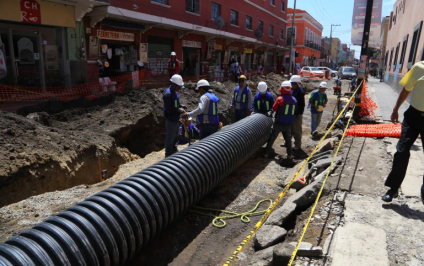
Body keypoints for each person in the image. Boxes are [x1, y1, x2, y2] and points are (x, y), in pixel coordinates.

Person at [382, 61, 424, 203]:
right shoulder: (418, 68)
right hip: (413, 116)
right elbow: (406, 90)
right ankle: (393, 189)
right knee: (401, 151)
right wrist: (395, 109)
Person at [264, 81, 297, 159]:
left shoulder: (280, 99)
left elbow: (274, 108)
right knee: (288, 140)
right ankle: (290, 155)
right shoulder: (294, 100)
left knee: (272, 138)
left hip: (279, 123)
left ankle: (266, 153)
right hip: (289, 123)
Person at [163, 74, 186, 157]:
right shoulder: (167, 94)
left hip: (175, 118)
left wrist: (180, 105)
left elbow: (176, 103)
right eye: (178, 86)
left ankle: (173, 149)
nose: (179, 89)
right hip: (170, 119)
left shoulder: (174, 92)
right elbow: (168, 108)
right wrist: (177, 110)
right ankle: (168, 153)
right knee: (170, 136)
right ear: (174, 84)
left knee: (176, 134)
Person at [290, 75, 305, 150]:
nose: (291, 86)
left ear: (296, 84)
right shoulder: (293, 91)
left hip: (297, 114)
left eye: (292, 85)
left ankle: (297, 145)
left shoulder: (300, 92)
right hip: (291, 114)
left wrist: (299, 114)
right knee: (291, 129)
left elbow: (302, 104)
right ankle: (289, 143)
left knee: (297, 131)